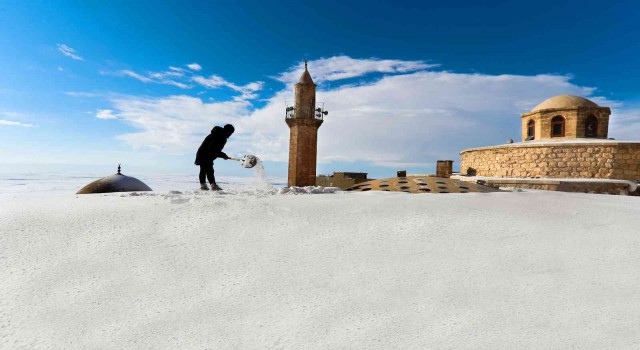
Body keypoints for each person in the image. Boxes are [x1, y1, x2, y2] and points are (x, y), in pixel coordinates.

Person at [194, 124, 234, 190]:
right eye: (230, 132)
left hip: (206, 154)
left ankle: (204, 186)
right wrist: (223, 155)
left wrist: (223, 155)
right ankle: (213, 185)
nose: (230, 134)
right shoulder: (218, 136)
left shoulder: (220, 135)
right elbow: (212, 149)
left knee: (204, 170)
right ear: (227, 131)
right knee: (208, 169)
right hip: (204, 154)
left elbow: (215, 150)